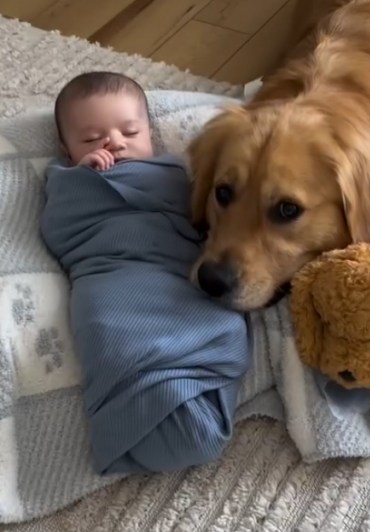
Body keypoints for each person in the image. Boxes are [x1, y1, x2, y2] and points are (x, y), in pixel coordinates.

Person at [40, 71, 252, 475]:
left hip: (173, 273)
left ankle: (189, 388)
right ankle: (148, 406)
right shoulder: (70, 184)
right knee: (110, 331)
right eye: (91, 138)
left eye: (129, 131)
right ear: (67, 153)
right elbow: (59, 231)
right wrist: (83, 178)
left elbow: (202, 217)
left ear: (150, 135)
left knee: (219, 313)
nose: (114, 143)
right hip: (111, 278)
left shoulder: (173, 174)